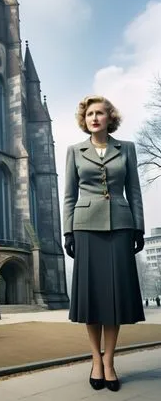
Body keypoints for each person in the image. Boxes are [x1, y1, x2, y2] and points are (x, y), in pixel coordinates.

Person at [63, 95, 145, 392]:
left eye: (100, 113)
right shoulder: (74, 151)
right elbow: (69, 196)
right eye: (90, 114)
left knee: (115, 299)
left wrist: (138, 227)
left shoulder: (128, 149)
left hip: (121, 226)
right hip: (85, 228)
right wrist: (67, 232)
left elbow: (133, 191)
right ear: (84, 120)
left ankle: (109, 361)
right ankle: (95, 359)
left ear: (110, 118)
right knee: (93, 298)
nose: (95, 118)